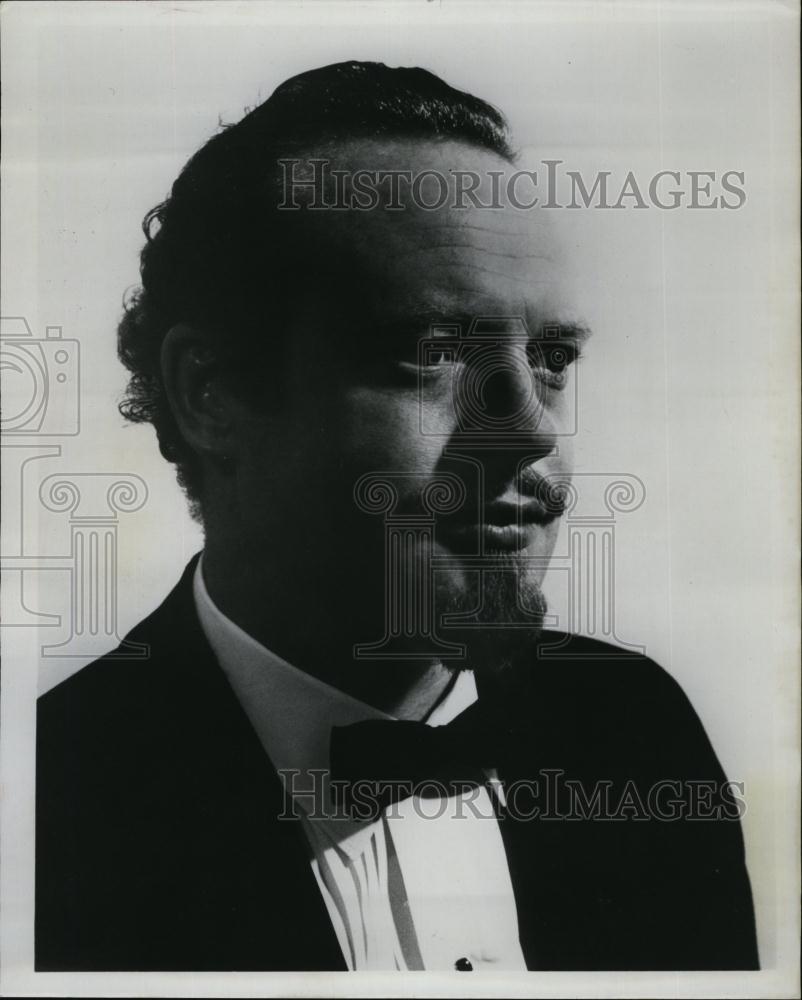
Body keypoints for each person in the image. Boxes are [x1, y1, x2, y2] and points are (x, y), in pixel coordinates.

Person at [35, 60, 759, 972]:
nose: (530, 437)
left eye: (552, 359)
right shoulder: (46, 803)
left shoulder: (637, 732)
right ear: (210, 393)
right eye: (429, 351)